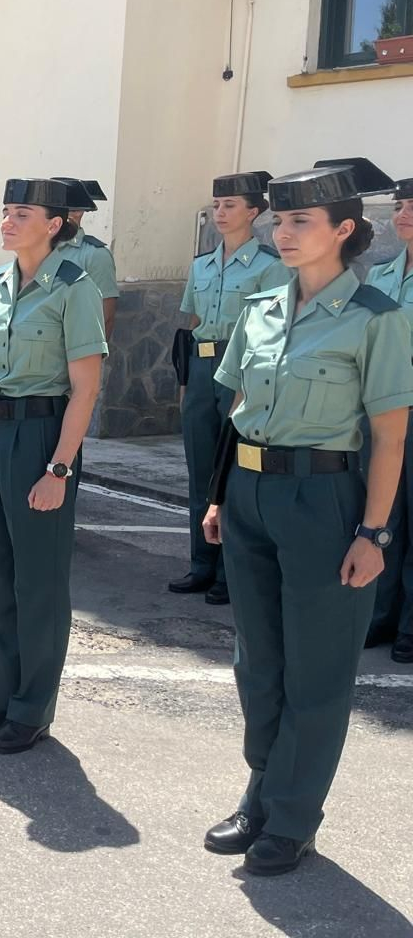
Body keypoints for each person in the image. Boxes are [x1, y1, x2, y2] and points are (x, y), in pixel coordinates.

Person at [201, 159, 412, 875]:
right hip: (253, 496)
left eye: (299, 222)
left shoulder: (378, 319)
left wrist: (375, 534)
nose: (282, 233)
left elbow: (389, 435)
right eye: (278, 221)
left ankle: (293, 818)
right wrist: (220, 495)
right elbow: (236, 410)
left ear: (344, 230)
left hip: (325, 500)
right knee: (257, 662)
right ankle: (261, 790)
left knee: (317, 670)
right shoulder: (261, 304)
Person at [0, 177, 107, 754]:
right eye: (7, 211)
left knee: (39, 580)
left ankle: (32, 707)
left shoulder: (75, 288)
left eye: (22, 212)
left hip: (41, 435)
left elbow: (85, 388)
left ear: (54, 224)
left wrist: (60, 469)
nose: (8, 220)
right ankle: (1, 694)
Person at [171, 172, 288, 606]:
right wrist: (186, 383)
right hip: (202, 370)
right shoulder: (200, 265)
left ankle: (229, 570)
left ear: (254, 212)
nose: (220, 213)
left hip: (243, 370)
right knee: (200, 469)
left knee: (234, 473)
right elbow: (193, 325)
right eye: (217, 205)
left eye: (231, 206)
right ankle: (201, 563)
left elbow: (274, 331)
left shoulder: (271, 265)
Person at [367, 173, 413, 663]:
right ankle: (379, 615)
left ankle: (410, 625)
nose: (402, 214)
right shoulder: (380, 275)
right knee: (384, 513)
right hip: (383, 410)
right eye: (399, 206)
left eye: (412, 207)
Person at [54, 178, 120, 340]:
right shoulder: (37, 250)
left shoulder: (95, 254)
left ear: (77, 212)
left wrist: (89, 361)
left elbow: (105, 316)